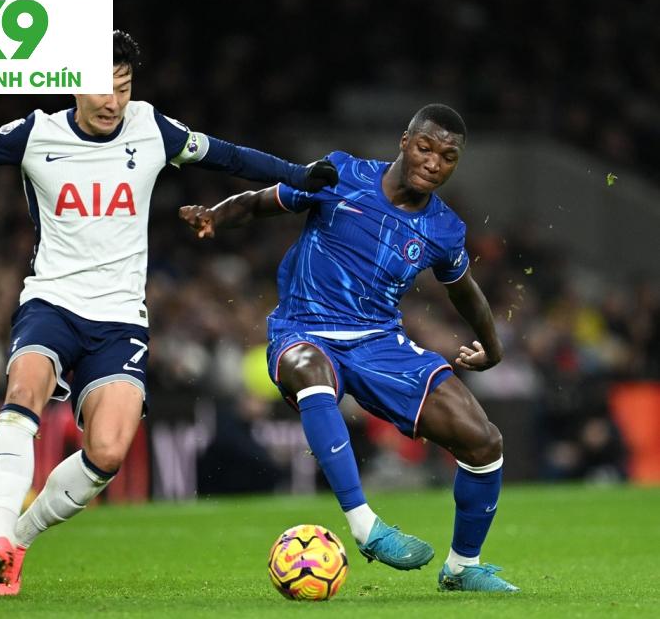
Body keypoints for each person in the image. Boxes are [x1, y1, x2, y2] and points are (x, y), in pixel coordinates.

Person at [0, 30, 338, 596]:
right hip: (52, 303)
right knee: (23, 394)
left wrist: (297, 174)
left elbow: (230, 156)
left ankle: (16, 544)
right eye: (101, 88)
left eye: (124, 86)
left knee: (108, 453)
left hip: (119, 319)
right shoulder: (35, 134)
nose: (113, 101)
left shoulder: (152, 128)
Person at [179, 104, 519, 592]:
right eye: (425, 148)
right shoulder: (341, 174)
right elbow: (260, 202)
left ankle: (463, 567)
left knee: (484, 441)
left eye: (448, 157)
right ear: (405, 142)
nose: (433, 163)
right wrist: (215, 217)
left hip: (379, 341)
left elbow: (464, 290)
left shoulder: (444, 228)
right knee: (309, 369)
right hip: (304, 328)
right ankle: (365, 526)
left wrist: (493, 346)